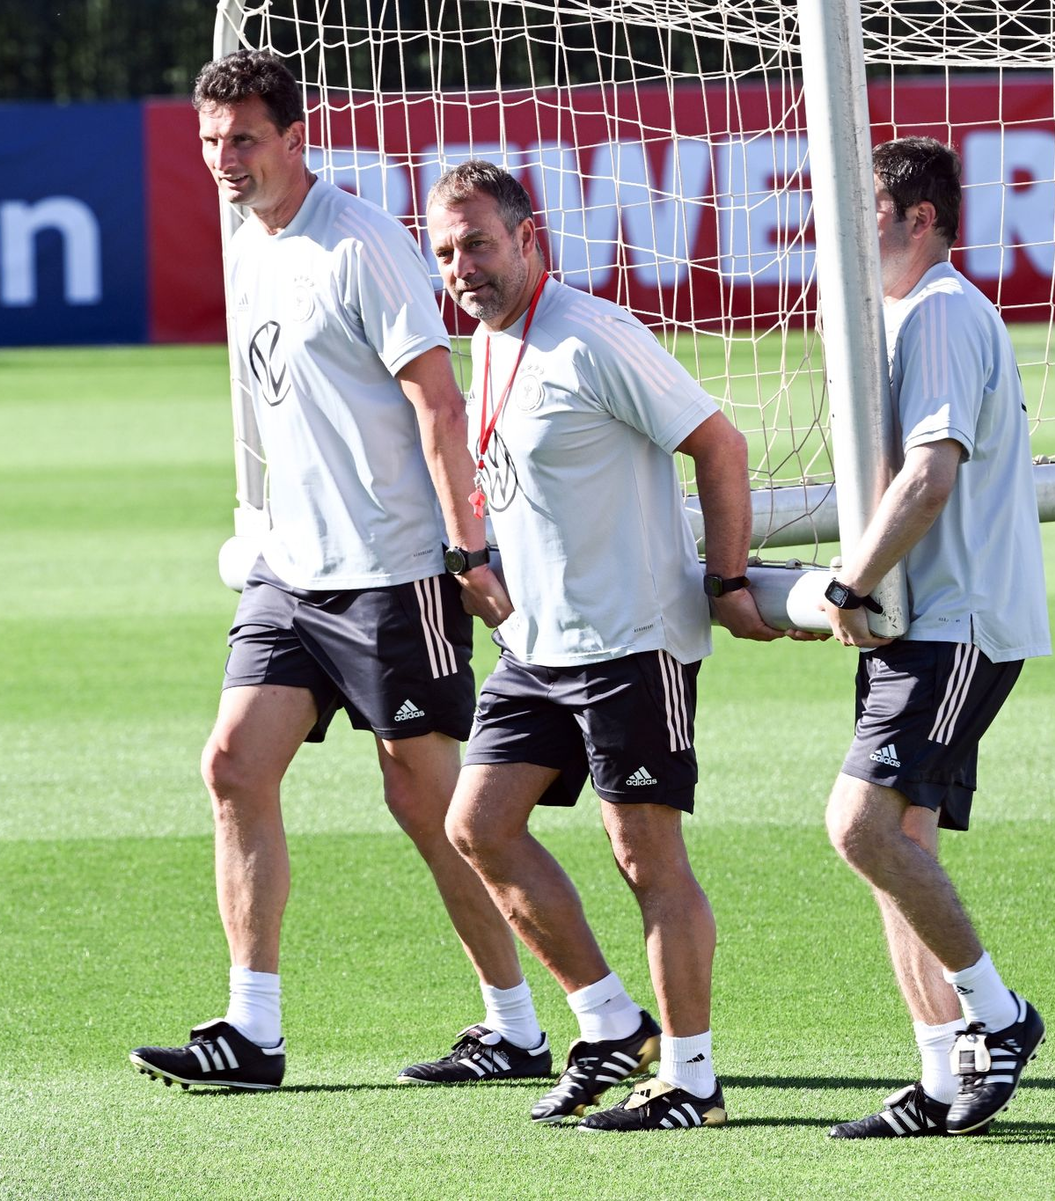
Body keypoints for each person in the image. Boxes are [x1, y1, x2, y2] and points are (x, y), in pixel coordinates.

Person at [130, 52, 550, 1092]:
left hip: (392, 569)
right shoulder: (247, 240)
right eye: (211, 143)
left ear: (292, 137)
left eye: (245, 140)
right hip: (290, 572)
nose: (226, 161)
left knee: (428, 805)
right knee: (232, 765)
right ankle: (254, 1029)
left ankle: (521, 1025)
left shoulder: (361, 245)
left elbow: (439, 404)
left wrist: (466, 545)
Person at [420, 160, 790, 1131]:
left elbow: (720, 444)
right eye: (448, 249)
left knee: (644, 855)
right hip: (537, 644)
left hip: (629, 641)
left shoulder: (594, 334)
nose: (463, 265)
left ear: (530, 237)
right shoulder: (495, 340)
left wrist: (728, 578)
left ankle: (694, 1080)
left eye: (480, 244)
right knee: (478, 825)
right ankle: (610, 1020)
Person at [821, 137, 1049, 1139]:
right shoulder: (907, 316)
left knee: (858, 827)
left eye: (865, 207)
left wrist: (847, 580)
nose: (846, 228)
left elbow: (930, 476)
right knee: (895, 847)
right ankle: (943, 1072)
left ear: (920, 219)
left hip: (955, 626)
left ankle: (999, 1018)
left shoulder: (947, 311)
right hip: (926, 624)